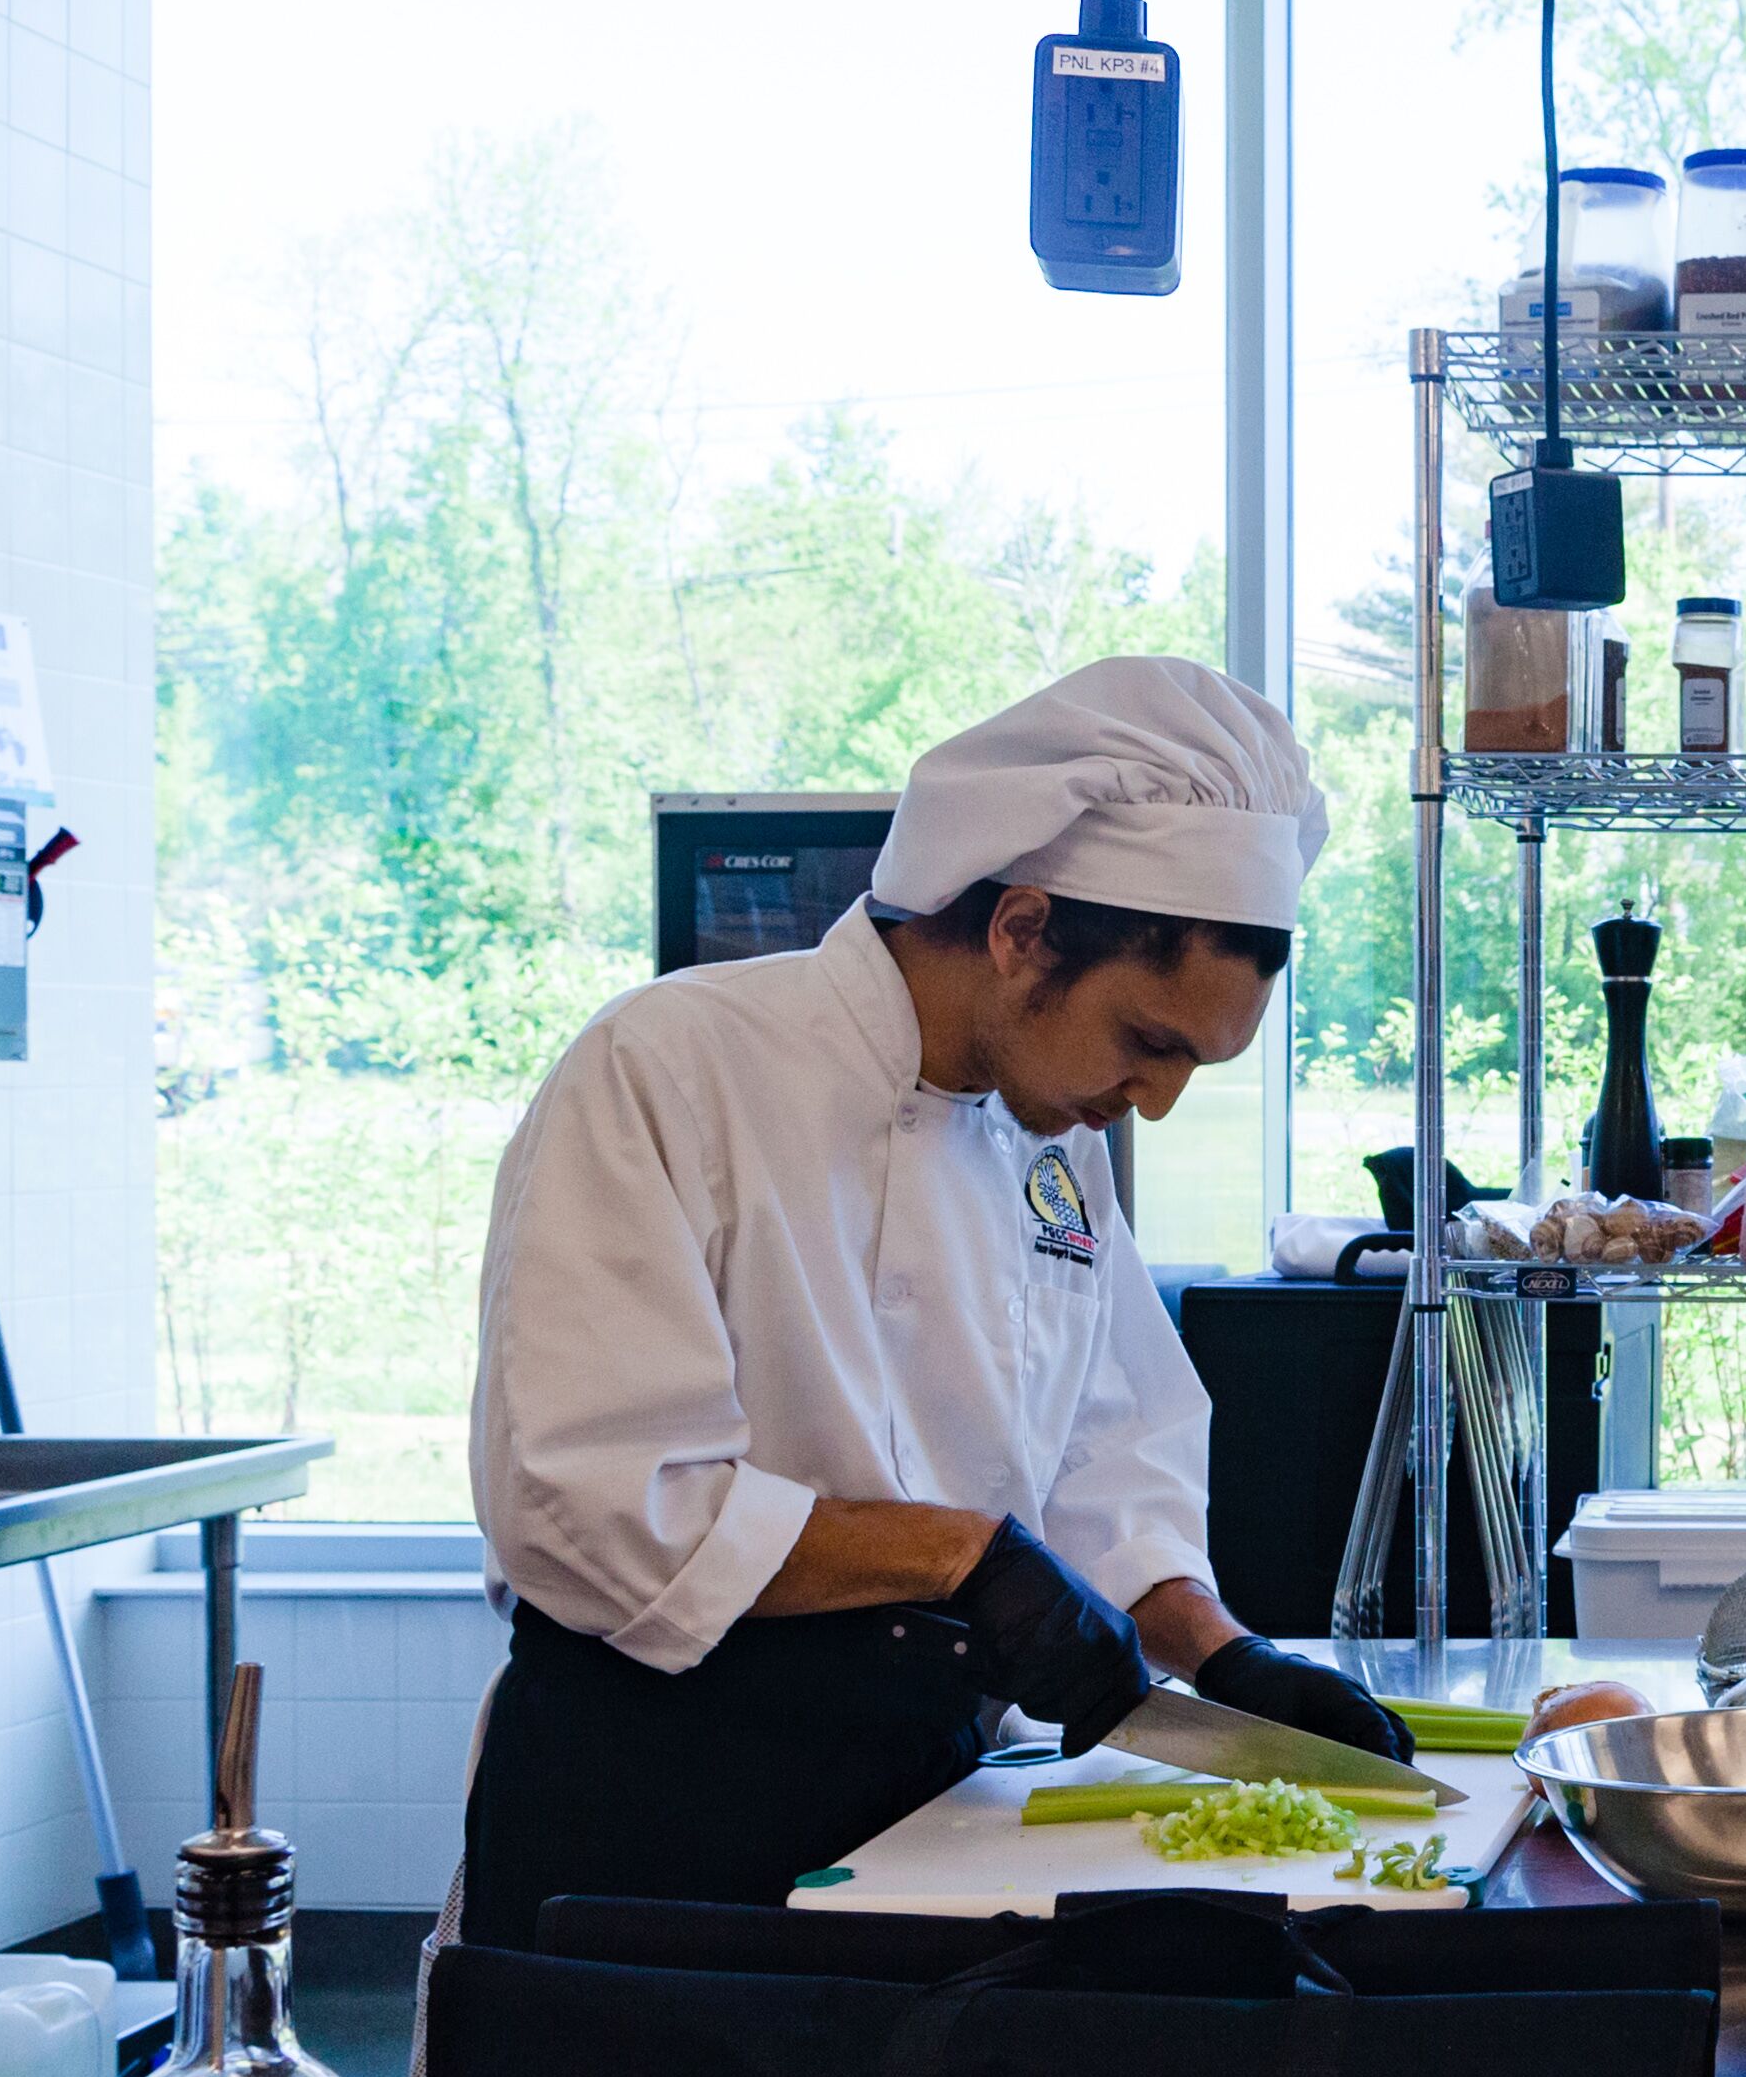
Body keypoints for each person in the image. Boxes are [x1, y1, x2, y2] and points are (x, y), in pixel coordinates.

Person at [451, 655, 1406, 1953]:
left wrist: (1225, 1658)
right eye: (1150, 1041)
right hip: (666, 1808)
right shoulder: (671, 1068)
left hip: (931, 1799)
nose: (1159, 1100)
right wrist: (962, 1556)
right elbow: (593, 1500)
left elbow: (1103, 1455)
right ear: (1021, 933)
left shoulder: (1053, 1134)